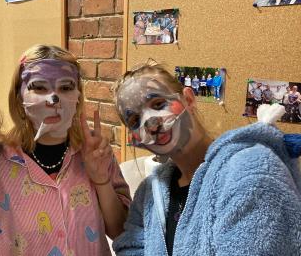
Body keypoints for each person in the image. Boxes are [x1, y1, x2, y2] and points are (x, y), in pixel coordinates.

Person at [111, 63, 301, 256]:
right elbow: (131, 247)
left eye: (158, 104)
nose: (150, 124)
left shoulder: (251, 172)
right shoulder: (149, 192)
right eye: (135, 121)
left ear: (189, 100)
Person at [0, 45, 131, 255]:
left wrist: (101, 180)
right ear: (19, 96)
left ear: (78, 97)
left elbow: (121, 231)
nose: (54, 98)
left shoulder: (96, 152)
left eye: (66, 87)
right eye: (39, 87)